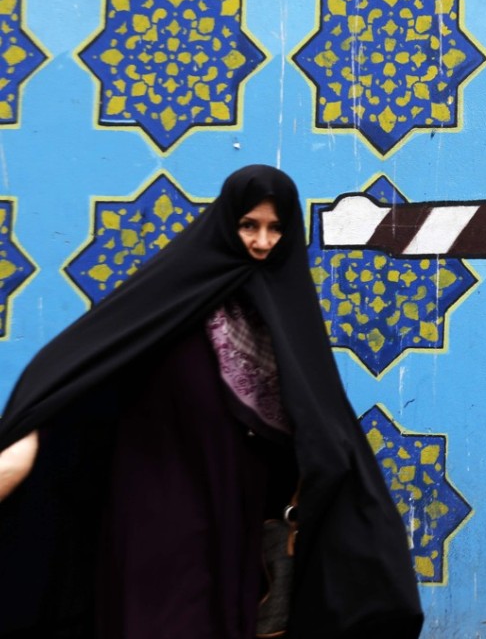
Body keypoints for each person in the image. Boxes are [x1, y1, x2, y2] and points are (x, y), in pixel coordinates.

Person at [0, 165, 423, 638]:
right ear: (226, 222)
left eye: (276, 228)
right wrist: (35, 430)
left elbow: (317, 410)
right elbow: (86, 363)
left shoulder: (284, 307)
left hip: (234, 503)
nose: (262, 242)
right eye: (249, 225)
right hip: (153, 497)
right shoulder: (172, 292)